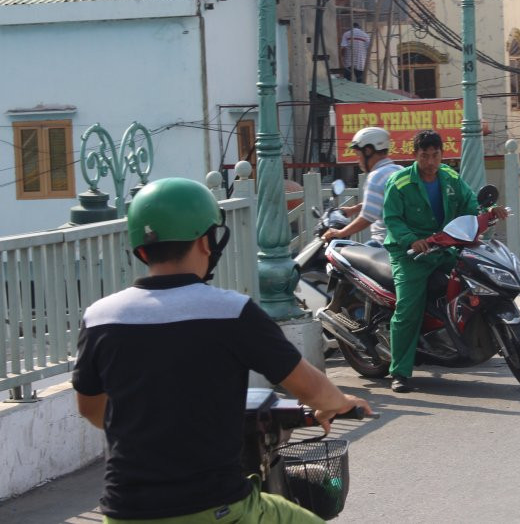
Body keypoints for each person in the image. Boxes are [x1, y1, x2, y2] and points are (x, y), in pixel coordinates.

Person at [72, 177, 371, 523]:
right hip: (217, 508)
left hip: (124, 513)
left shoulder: (100, 317)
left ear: (140, 248)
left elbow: (91, 409)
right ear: (205, 241)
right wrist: (338, 402)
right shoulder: (231, 311)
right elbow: (310, 388)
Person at [381, 130, 508, 393]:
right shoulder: (400, 182)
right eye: (424, 156)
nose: (430, 162)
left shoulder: (450, 177)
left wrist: (488, 212)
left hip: (444, 248)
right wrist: (411, 240)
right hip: (411, 255)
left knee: (479, 278)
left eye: (435, 155)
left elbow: (471, 205)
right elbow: (392, 219)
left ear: (442, 154)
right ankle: (400, 372)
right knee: (408, 309)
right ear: (414, 155)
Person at [323, 127, 402, 247]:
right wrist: (354, 209)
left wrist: (340, 233)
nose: (358, 160)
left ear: (368, 151)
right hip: (402, 241)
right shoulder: (398, 170)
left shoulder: (376, 177)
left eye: (358, 155)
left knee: (344, 254)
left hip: (384, 243)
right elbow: (384, 202)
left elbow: (367, 218)